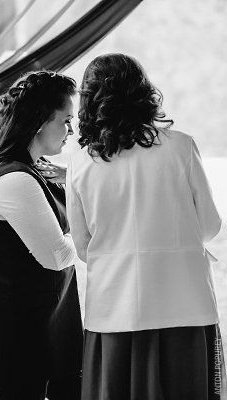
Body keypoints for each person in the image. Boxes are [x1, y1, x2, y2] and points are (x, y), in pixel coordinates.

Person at [66, 53, 226, 400]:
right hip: (184, 303)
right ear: (143, 92)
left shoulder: (80, 162)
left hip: (114, 307)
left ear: (89, 101)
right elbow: (210, 226)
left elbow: (83, 247)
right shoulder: (182, 146)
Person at [0, 71, 83, 400]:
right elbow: (56, 255)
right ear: (41, 121)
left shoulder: (31, 167)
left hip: (43, 318)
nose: (72, 131)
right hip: (20, 328)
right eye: (66, 120)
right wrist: (97, 237)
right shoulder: (15, 180)